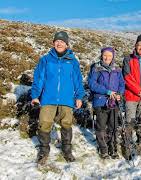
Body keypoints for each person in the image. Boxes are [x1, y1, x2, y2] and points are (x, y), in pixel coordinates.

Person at [31, 31, 85, 164]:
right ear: (53, 43)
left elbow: (78, 80)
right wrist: (35, 95)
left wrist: (79, 96)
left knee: (66, 124)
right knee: (44, 124)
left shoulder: (73, 61)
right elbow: (39, 79)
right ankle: (44, 151)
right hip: (48, 98)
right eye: (57, 41)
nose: (59, 43)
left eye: (62, 41)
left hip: (66, 99)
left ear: (67, 44)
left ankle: (67, 150)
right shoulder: (45, 59)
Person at [88, 47, 125, 159]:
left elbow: (122, 84)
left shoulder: (117, 69)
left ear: (113, 56)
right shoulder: (96, 68)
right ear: (101, 55)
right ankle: (103, 149)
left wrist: (119, 93)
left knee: (113, 126)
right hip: (100, 101)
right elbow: (92, 84)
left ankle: (113, 148)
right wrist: (107, 91)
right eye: (105, 55)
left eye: (109, 55)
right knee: (101, 127)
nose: (107, 57)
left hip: (114, 102)